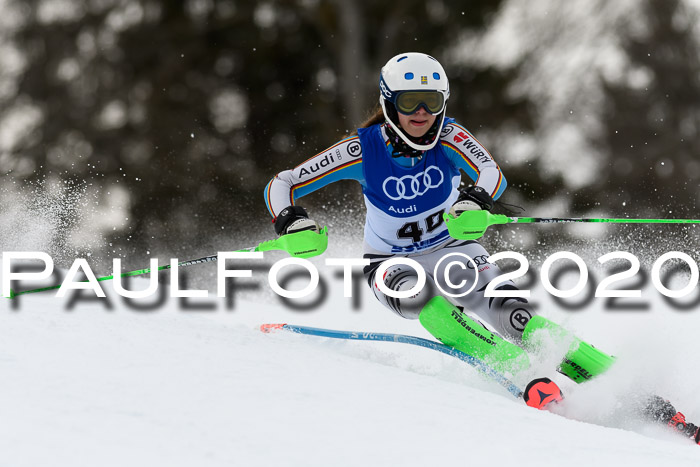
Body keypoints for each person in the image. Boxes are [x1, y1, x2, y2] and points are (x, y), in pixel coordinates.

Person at [263, 52, 699, 442]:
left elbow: (490, 172)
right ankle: (525, 375)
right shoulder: (362, 149)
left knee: (515, 316)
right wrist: (291, 220)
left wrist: (474, 199)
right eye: (409, 101)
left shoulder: (451, 137)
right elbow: (283, 184)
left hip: (453, 248)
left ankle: (636, 394)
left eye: (431, 101)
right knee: (422, 300)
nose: (421, 113)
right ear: (387, 102)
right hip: (390, 261)